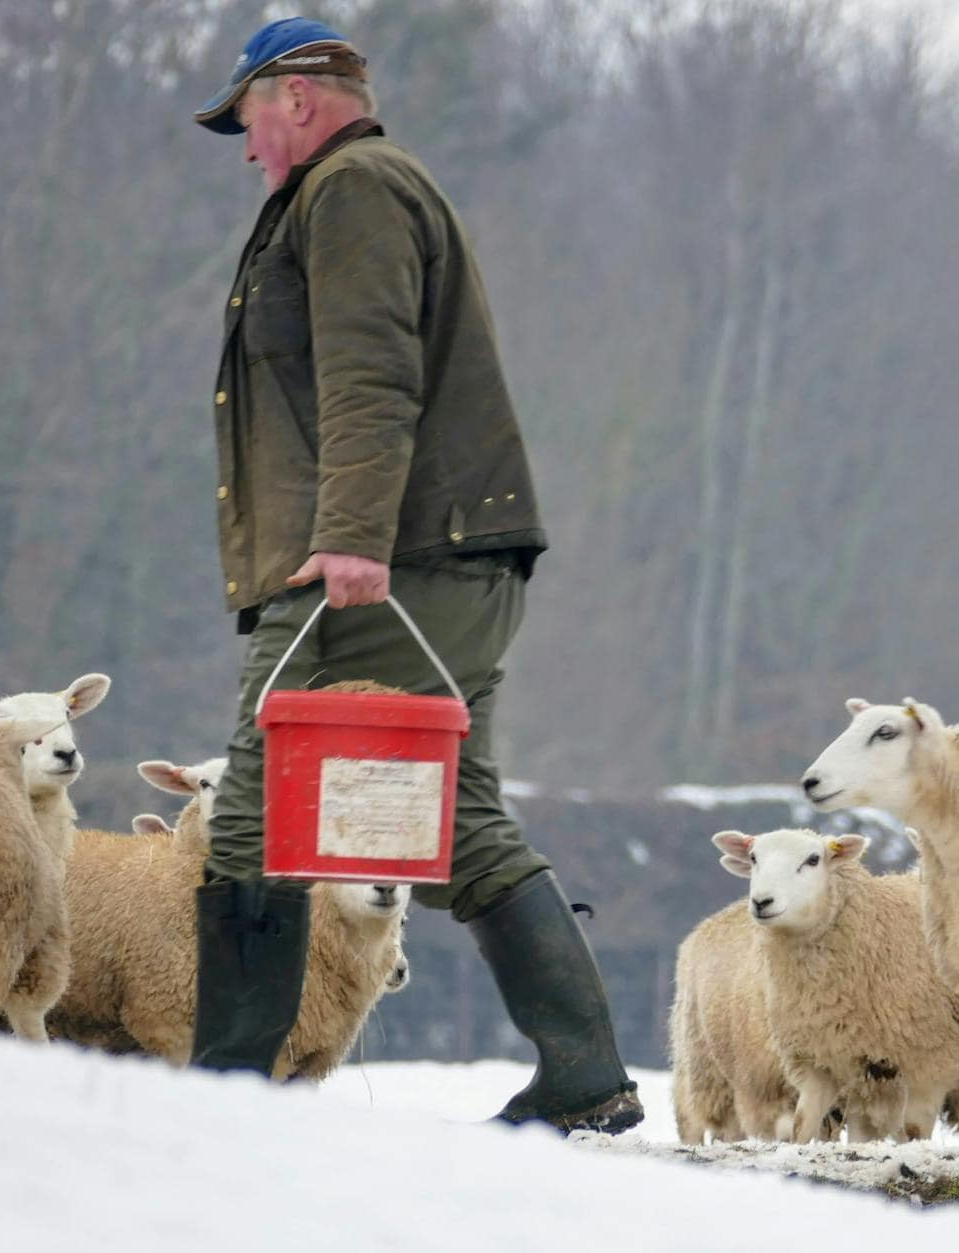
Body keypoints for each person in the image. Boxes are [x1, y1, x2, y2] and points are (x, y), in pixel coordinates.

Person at [188, 15, 641, 1134]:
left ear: (294, 96)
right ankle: (583, 1073)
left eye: (248, 118)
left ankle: (224, 1096)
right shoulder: (353, 189)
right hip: (441, 558)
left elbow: (371, 371)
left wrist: (350, 533)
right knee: (452, 819)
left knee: (253, 807)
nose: (248, 147)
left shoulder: (352, 190)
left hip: (387, 561)